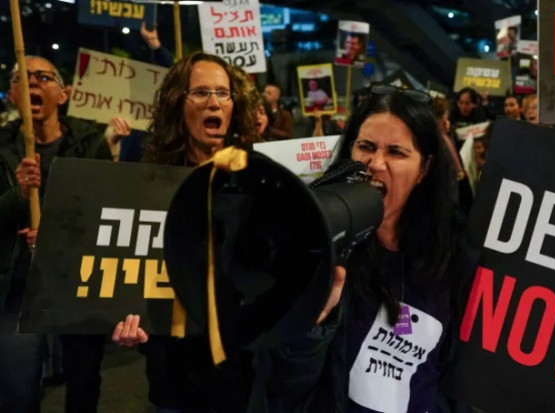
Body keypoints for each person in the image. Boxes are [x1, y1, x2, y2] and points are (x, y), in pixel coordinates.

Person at [304, 86, 555, 411]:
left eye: (397, 152)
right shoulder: (321, 252)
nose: (375, 164)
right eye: (366, 146)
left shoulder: (458, 248)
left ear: (425, 168)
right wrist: (310, 325)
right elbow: (288, 379)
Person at [113, 51, 345, 412]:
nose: (214, 102)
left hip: (244, 377)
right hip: (173, 380)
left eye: (223, 93)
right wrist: (130, 320)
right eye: (200, 92)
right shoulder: (151, 182)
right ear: (177, 103)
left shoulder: (263, 178)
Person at [0, 56, 113, 413]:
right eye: (21, 77)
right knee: (17, 387)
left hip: (76, 280)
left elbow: (104, 212)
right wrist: (18, 195)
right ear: (12, 95)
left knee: (83, 380)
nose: (32, 82)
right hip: (18, 286)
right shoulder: (1, 147)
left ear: (63, 95)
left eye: (43, 77)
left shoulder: (89, 143)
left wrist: (56, 237)